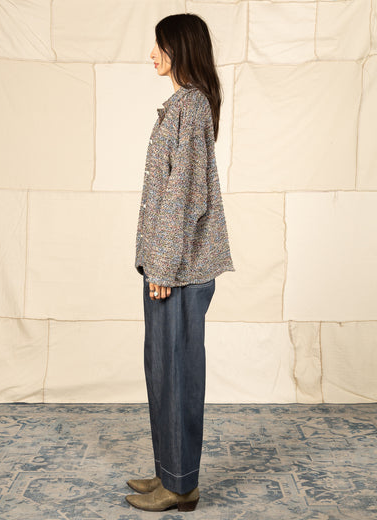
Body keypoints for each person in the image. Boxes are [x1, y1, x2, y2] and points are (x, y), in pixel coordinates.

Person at [126, 13, 236, 512]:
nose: (152, 54)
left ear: (180, 48)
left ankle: (181, 485)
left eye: (160, 45)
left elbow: (183, 195)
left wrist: (163, 268)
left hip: (179, 270)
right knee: (162, 372)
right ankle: (170, 472)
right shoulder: (181, 106)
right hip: (167, 264)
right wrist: (156, 262)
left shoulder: (189, 107)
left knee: (175, 374)